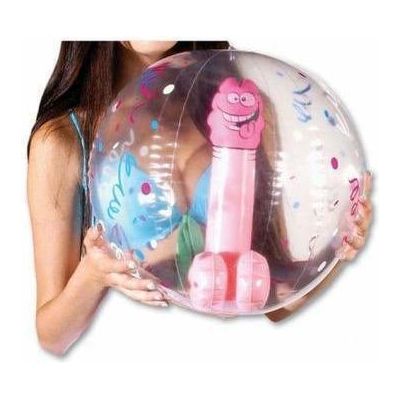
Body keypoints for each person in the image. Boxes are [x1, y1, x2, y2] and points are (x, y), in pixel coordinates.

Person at [27, 41, 373, 355]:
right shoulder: (63, 139)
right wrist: (93, 274)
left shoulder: (240, 110)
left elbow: (274, 303)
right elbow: (52, 336)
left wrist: (337, 248)